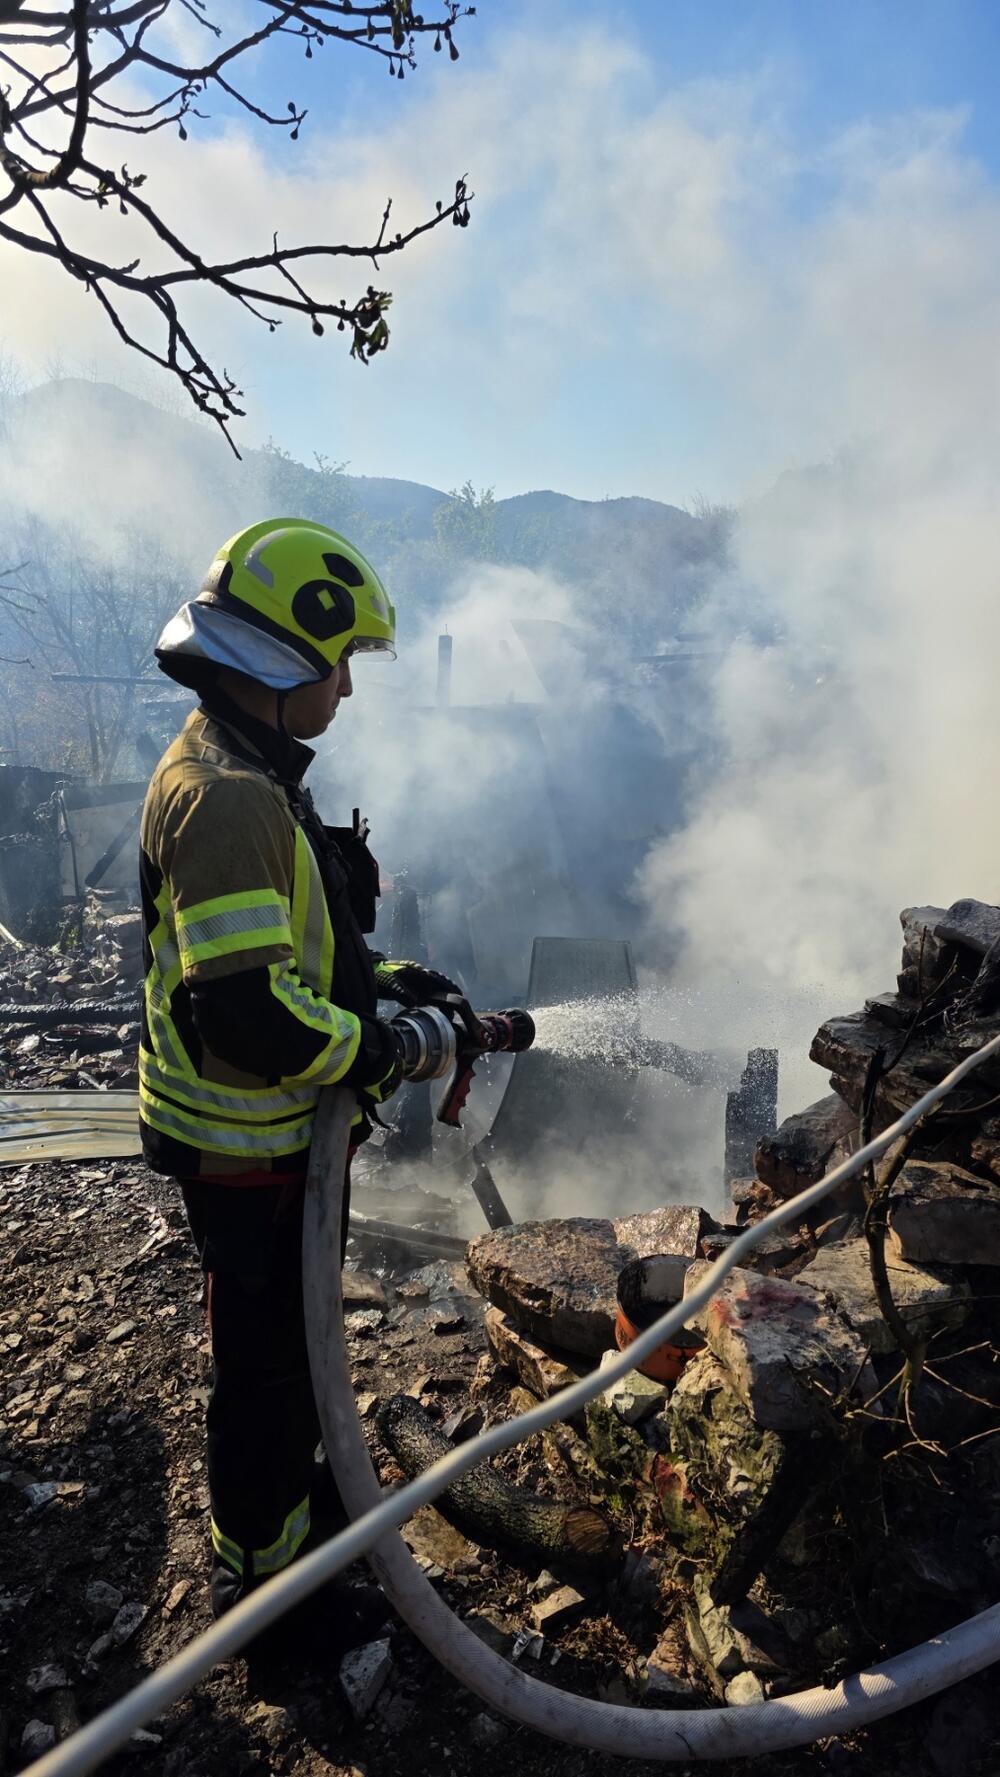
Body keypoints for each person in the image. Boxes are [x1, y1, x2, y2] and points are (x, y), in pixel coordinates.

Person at [141, 518, 461, 1652]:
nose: (346, 691)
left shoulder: (241, 767)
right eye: (341, 666)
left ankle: (299, 1513)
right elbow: (243, 1011)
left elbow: (286, 948)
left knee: (295, 1344)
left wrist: (380, 976)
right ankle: (266, 1598)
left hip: (272, 1138)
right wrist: (378, 1049)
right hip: (249, 1144)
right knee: (267, 1370)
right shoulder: (228, 799)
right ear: (282, 663)